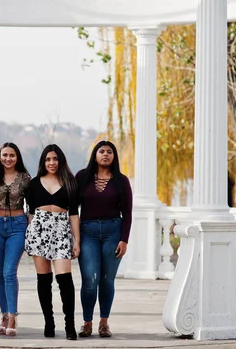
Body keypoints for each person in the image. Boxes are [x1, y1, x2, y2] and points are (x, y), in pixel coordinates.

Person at [75, 141, 132, 338]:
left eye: (109, 152)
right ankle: (87, 322)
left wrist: (124, 240)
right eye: (102, 151)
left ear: (114, 156)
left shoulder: (121, 181)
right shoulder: (82, 177)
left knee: (107, 280)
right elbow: (73, 209)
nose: (105, 154)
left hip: (112, 231)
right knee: (90, 279)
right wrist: (75, 238)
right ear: (95, 155)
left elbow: (128, 212)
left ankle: (104, 323)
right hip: (87, 232)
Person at [25, 144, 80, 340]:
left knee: (65, 280)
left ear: (61, 160)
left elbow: (74, 214)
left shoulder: (71, 182)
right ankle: (49, 322)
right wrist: (29, 238)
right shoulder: (33, 183)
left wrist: (77, 241)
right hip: (38, 230)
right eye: (48, 159)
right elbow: (31, 214)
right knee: (44, 280)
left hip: (61, 231)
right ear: (43, 162)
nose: (51, 162)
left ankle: (70, 326)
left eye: (55, 159)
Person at [0, 143, 31, 337]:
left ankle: (13, 316)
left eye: (12, 155)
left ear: (17, 157)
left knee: (9, 272)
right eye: (4, 155)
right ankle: (4, 315)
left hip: (18, 225)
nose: (8, 158)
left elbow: (34, 203)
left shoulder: (25, 178)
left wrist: (30, 227)